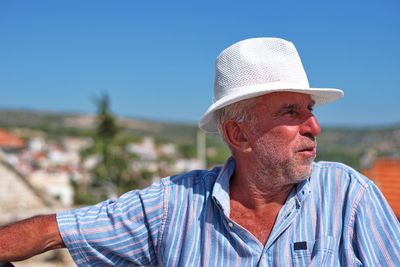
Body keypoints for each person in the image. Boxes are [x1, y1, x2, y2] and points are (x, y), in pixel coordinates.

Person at [1, 37, 399, 266]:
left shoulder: (350, 196)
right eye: (291, 112)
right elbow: (53, 230)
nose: (314, 126)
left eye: (309, 111)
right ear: (238, 134)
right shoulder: (173, 206)